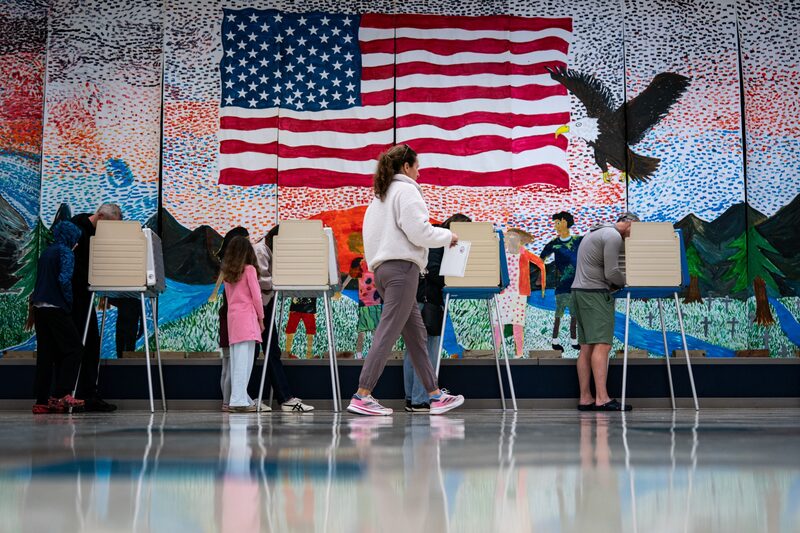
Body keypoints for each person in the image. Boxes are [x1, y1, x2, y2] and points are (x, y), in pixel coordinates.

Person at [348, 144, 465, 416]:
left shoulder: (379, 198)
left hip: (383, 271)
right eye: (417, 167)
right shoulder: (407, 191)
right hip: (402, 270)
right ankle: (362, 394)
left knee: (416, 335)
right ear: (406, 167)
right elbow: (419, 232)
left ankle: (434, 395)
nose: (419, 173)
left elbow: (372, 238)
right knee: (388, 331)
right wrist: (448, 236)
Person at [571, 212, 639, 411]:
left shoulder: (597, 231)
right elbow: (611, 272)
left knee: (586, 347)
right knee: (602, 345)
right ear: (630, 224)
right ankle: (602, 398)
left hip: (579, 292)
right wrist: (627, 282)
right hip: (594, 293)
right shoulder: (612, 236)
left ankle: (586, 398)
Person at [403, 213, 470, 413]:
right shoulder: (439, 239)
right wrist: (453, 280)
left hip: (415, 298)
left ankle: (411, 399)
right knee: (427, 350)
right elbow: (432, 269)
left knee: (414, 351)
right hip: (428, 302)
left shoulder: (431, 235)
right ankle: (421, 399)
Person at [254, 225, 314, 412]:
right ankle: (277, 397)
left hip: (264, 304)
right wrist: (282, 280)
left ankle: (283, 397)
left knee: (270, 351)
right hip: (258, 306)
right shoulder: (261, 251)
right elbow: (261, 280)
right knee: (262, 351)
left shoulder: (266, 250)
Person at [29, 221, 86, 414]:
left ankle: (41, 401)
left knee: (46, 354)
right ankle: (61, 394)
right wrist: (69, 302)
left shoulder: (47, 252)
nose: (76, 243)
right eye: (76, 239)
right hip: (55, 307)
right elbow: (64, 279)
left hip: (39, 307)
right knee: (75, 349)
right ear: (71, 237)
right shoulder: (66, 252)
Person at [71, 202, 122, 412]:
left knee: (91, 344)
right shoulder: (76, 229)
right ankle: (75, 395)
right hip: (74, 297)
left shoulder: (91, 230)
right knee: (78, 345)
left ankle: (88, 395)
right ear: (100, 216)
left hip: (86, 295)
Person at [220, 235, 265, 413]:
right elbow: (257, 297)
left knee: (236, 362)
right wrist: (261, 318)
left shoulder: (227, 274)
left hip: (233, 321)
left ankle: (242, 398)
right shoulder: (250, 270)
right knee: (244, 364)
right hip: (247, 320)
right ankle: (238, 400)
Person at [494, 228, 545, 358]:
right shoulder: (503, 253)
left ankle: (518, 353)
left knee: (515, 324)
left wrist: (542, 282)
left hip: (518, 294)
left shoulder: (523, 253)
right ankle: (498, 352)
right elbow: (540, 263)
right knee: (501, 324)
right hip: (504, 293)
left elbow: (540, 263)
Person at [540, 211, 583, 352]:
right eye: (555, 223)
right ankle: (555, 341)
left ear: (565, 222)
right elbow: (541, 259)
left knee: (574, 315)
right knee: (558, 315)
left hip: (576, 286)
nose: (556, 226)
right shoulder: (554, 243)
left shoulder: (578, 240)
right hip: (561, 286)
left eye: (558, 223)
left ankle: (574, 341)